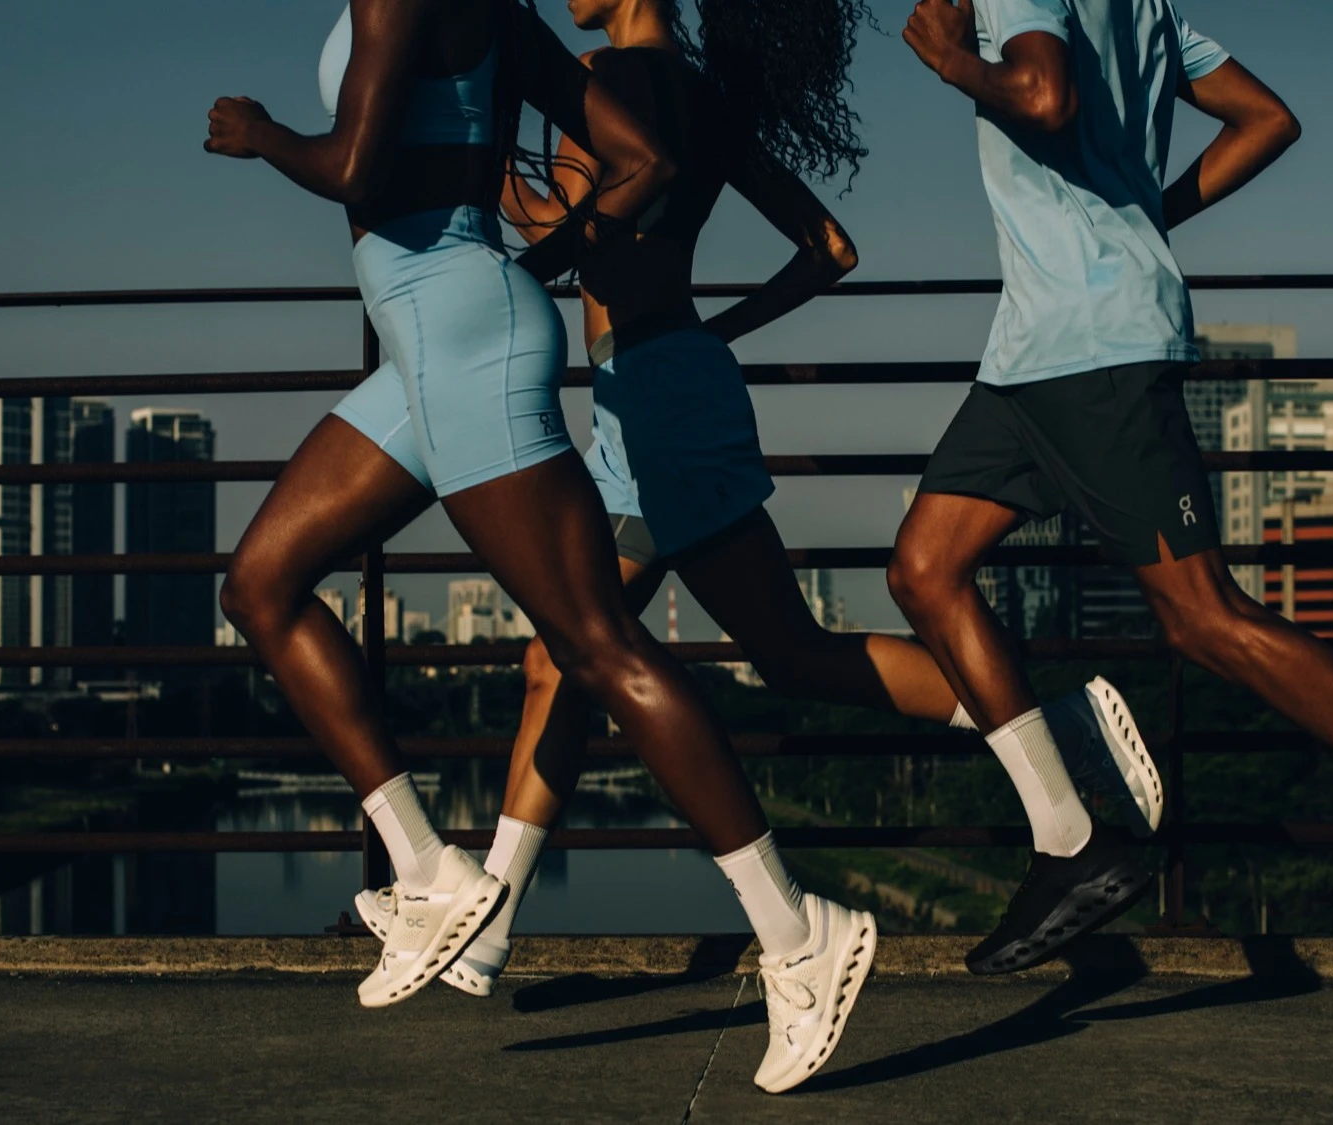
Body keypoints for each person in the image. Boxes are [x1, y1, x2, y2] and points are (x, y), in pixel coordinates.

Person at [362, 0, 1167, 1006]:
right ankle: (491, 925)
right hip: (664, 387)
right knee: (647, 654)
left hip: (655, 403)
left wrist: (469, 182)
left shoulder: (597, 82)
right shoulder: (704, 95)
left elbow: (566, 229)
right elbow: (828, 247)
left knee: (603, 650)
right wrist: (713, 333)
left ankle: (1050, 734)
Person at [205, 0, 870, 1089]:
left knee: (599, 644)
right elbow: (641, 157)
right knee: (262, 583)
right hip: (440, 339)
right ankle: (428, 870)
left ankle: (799, 934)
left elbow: (357, 169)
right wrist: (550, 254)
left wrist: (261, 133)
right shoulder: (499, 11)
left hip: (455, 338)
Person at [896, 0, 1333, 986]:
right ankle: (1068, 837)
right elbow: (1265, 117)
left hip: (1095, 356)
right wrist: (1145, 213)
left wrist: (956, 64)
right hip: (1028, 357)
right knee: (923, 569)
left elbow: (1039, 92)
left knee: (1201, 620)